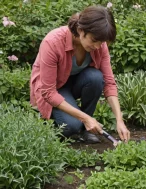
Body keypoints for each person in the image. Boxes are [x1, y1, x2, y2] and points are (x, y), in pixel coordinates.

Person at [30, 5, 130, 143]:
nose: (97, 47)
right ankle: (54, 123)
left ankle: (85, 129)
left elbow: (109, 83)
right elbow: (48, 92)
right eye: (94, 41)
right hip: (54, 89)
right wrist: (85, 118)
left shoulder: (100, 45)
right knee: (71, 127)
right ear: (80, 30)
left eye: (101, 43)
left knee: (95, 78)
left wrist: (120, 120)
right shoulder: (52, 42)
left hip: (74, 83)